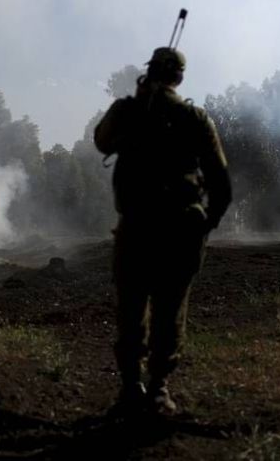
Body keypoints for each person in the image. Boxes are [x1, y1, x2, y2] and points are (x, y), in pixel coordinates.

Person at [94, 47, 232, 416]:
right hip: (181, 231)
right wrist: (205, 225)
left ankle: (130, 387)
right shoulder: (195, 118)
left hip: (136, 226)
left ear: (150, 72)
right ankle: (158, 388)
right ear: (179, 78)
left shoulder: (127, 111)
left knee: (131, 308)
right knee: (171, 309)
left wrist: (135, 105)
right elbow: (221, 183)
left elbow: (101, 141)